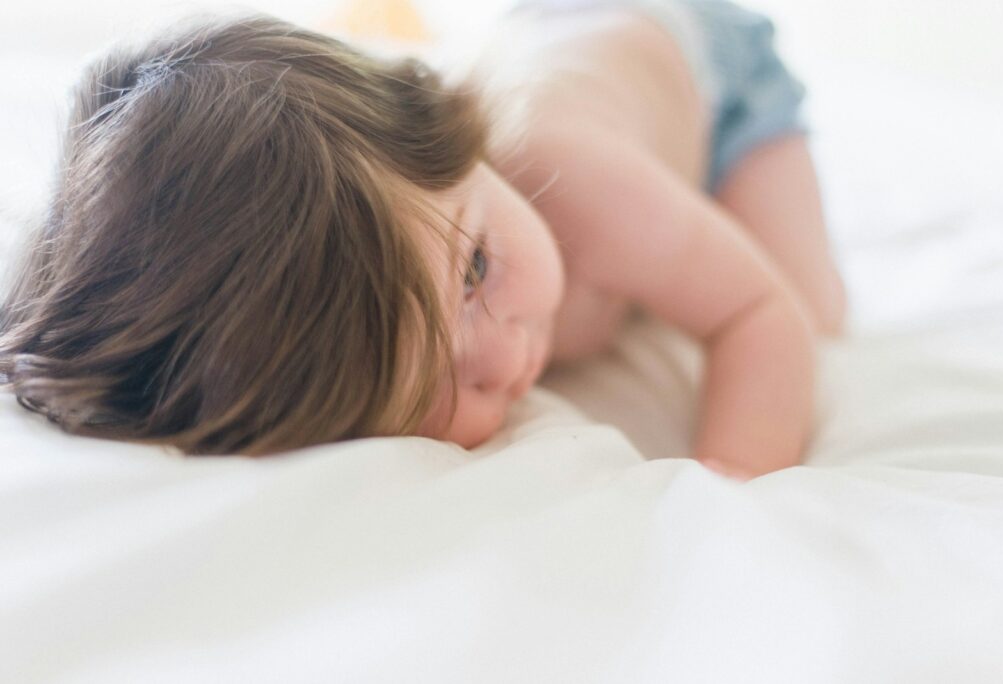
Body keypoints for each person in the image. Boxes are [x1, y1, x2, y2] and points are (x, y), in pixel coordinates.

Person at [0, 1, 845, 477]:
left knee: (819, 310)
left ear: (457, 131)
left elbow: (759, 316)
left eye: (477, 265)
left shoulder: (571, 173)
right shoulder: (360, 287)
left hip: (704, 63)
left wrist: (731, 479)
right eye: (429, 381)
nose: (503, 354)